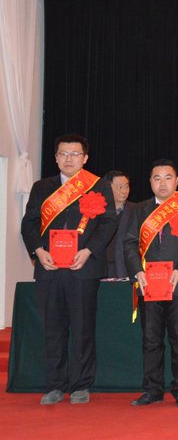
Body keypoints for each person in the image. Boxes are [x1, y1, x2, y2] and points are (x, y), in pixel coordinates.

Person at [21, 134, 117, 405]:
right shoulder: (42, 187)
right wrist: (39, 251)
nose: (68, 159)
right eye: (63, 154)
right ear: (55, 157)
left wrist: (89, 251)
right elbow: (29, 224)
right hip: (49, 268)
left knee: (83, 328)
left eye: (75, 154)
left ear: (85, 158)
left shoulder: (99, 185)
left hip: (83, 267)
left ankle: (80, 385)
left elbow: (108, 223)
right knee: (52, 329)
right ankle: (54, 385)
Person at [124, 159, 178, 407]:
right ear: (150, 181)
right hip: (148, 283)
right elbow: (129, 243)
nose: (162, 183)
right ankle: (152, 389)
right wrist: (137, 272)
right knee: (151, 339)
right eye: (157, 178)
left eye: (168, 177)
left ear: (176, 181)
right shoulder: (139, 209)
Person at [104, 171, 134, 279]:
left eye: (126, 186)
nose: (124, 191)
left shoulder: (136, 210)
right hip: (102, 267)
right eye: (119, 187)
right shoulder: (97, 211)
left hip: (125, 268)